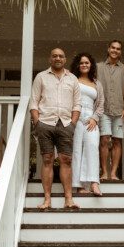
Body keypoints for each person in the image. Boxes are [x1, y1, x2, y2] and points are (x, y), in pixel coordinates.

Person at [30, 48, 81, 210]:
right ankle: (47, 200)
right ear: (50, 59)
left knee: (66, 160)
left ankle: (68, 199)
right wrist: (37, 122)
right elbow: (34, 101)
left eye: (60, 56)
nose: (57, 58)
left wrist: (73, 123)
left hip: (65, 124)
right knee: (47, 160)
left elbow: (77, 104)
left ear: (65, 60)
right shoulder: (41, 77)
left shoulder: (72, 79)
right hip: (45, 123)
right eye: (54, 56)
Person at [69, 53, 105, 196]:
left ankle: (94, 183)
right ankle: (78, 185)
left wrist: (95, 118)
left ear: (91, 65)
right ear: (78, 65)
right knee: (77, 151)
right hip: (75, 118)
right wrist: (72, 118)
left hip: (91, 120)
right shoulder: (72, 80)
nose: (84, 65)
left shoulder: (97, 83)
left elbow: (101, 103)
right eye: (82, 63)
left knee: (92, 148)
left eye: (87, 63)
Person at [96, 39, 124, 181]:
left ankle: (114, 173)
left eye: (118, 48)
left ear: (120, 51)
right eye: (113, 48)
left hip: (119, 110)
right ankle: (104, 172)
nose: (115, 50)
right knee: (104, 140)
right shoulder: (98, 67)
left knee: (117, 141)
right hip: (103, 109)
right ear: (108, 49)